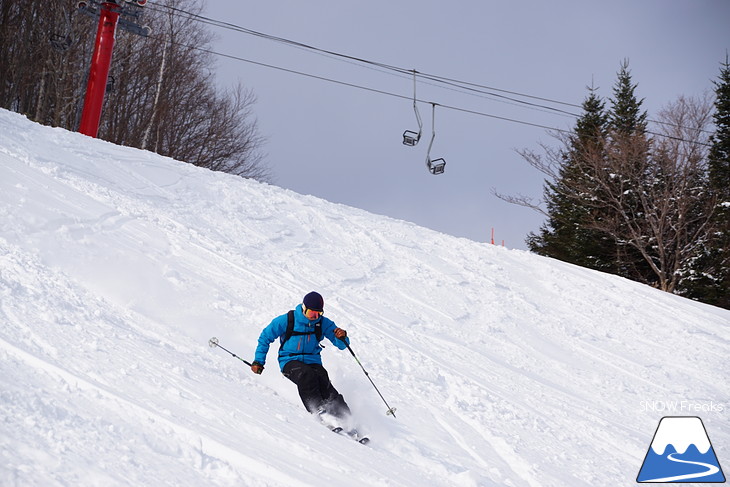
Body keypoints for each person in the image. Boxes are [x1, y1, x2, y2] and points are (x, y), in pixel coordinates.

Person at [251, 291, 352, 421]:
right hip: (289, 361)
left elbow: (342, 345)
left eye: (318, 314)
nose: (314, 317)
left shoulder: (322, 323)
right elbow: (265, 337)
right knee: (307, 375)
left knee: (324, 382)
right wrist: (258, 361)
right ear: (304, 308)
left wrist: (342, 337)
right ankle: (318, 410)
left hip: (313, 361)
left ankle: (346, 417)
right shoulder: (288, 320)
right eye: (311, 313)